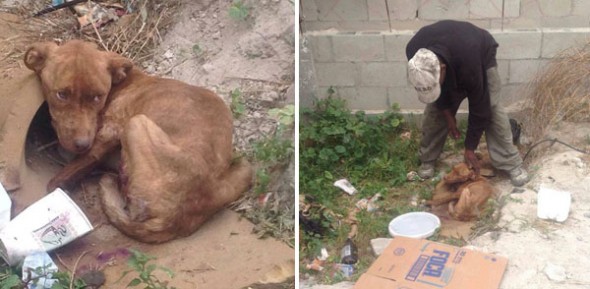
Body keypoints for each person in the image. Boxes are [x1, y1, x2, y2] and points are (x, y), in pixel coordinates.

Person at [405, 20, 529, 186]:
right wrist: (448, 116)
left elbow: (480, 106)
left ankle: (510, 162)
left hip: (480, 52)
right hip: (455, 51)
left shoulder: (469, 64)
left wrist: (470, 147)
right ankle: (428, 158)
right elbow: (437, 92)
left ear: (442, 69)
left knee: (491, 108)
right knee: (434, 112)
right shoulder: (413, 52)